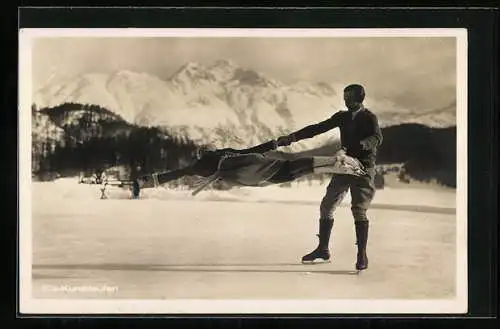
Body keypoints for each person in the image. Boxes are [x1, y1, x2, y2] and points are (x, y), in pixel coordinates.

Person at [276, 84, 383, 271]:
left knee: (359, 210)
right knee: (327, 206)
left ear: (359, 98)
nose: (345, 100)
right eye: (344, 96)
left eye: (349, 97)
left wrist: (362, 145)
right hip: (343, 166)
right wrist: (291, 138)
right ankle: (323, 249)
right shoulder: (342, 117)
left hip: (364, 169)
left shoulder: (369, 118)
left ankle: (361, 255)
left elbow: (377, 138)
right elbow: (317, 128)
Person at [134, 140, 367, 194]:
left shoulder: (210, 165)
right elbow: (252, 152)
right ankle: (338, 162)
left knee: (298, 170)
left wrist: (147, 182)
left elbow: (173, 174)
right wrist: (273, 145)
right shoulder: (219, 160)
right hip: (260, 168)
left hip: (259, 176)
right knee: (298, 167)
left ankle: (338, 164)